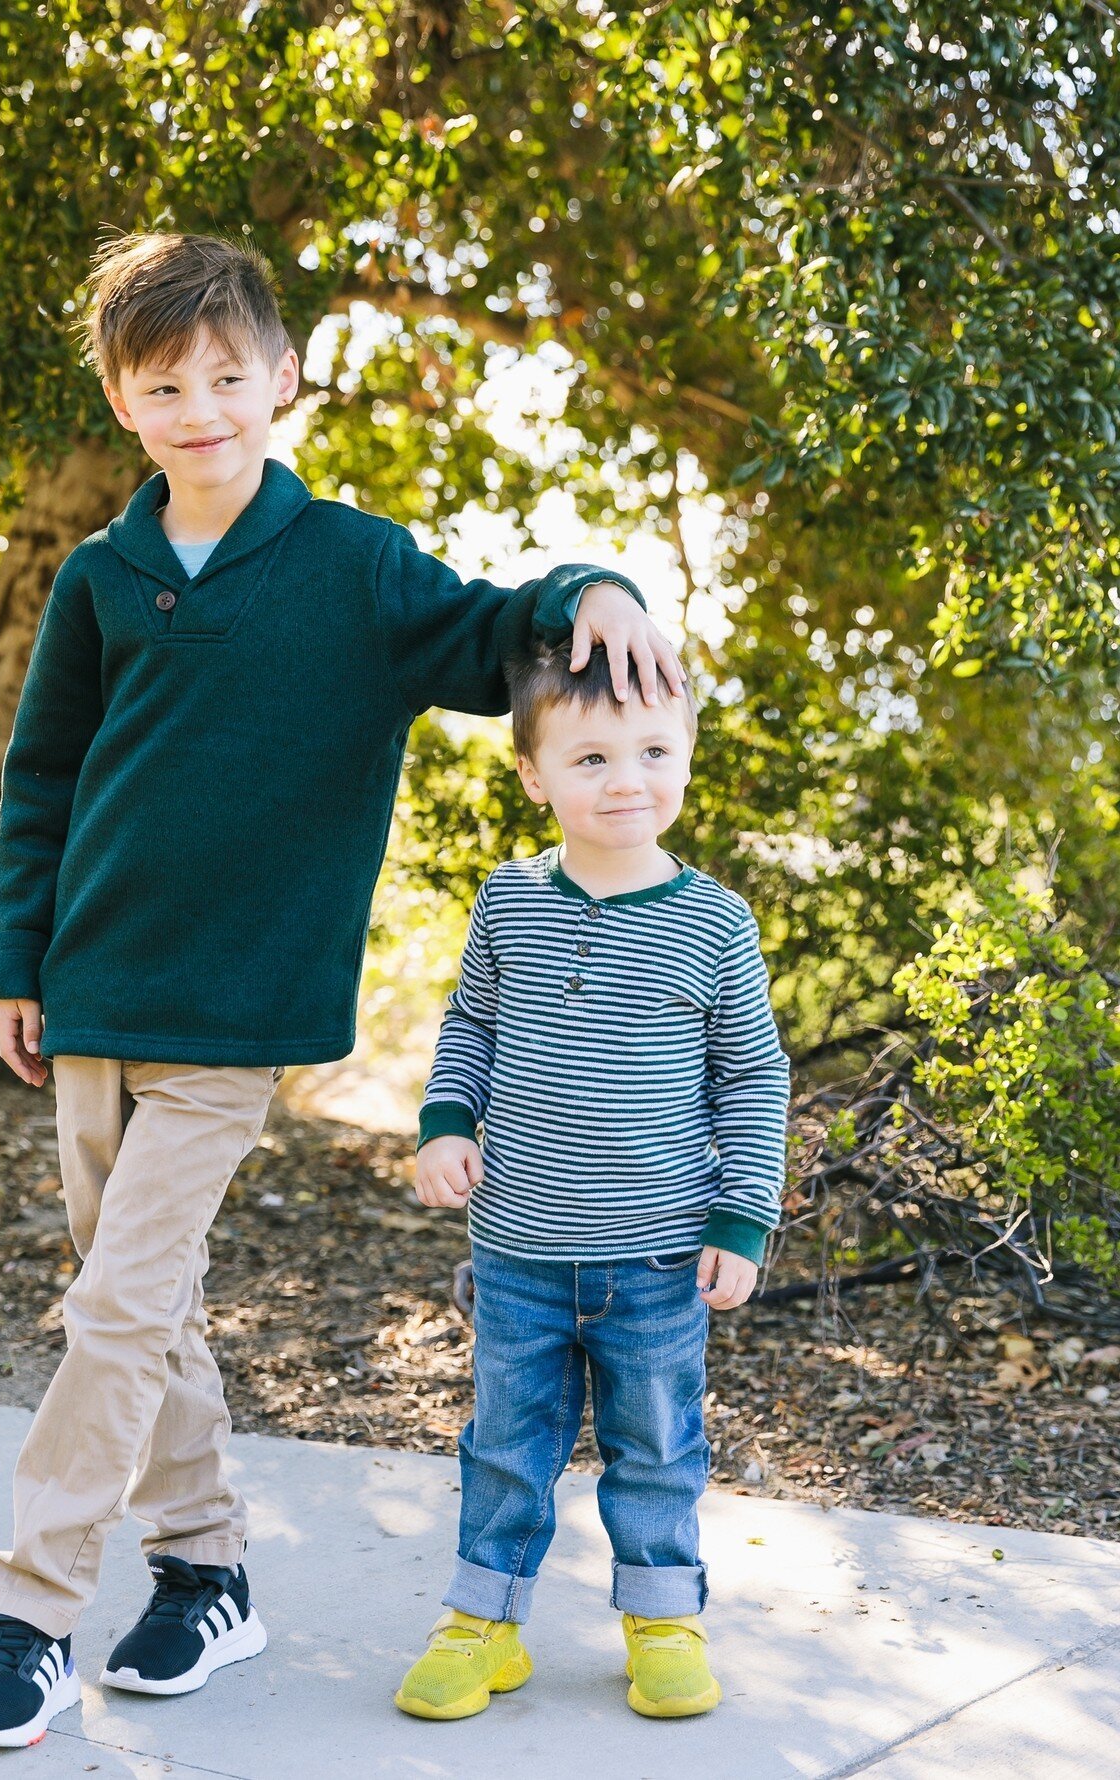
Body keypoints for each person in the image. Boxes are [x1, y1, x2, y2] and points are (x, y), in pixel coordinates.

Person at [0, 230, 685, 1749]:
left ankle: (26, 1614)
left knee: (117, 1305)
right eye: (163, 381)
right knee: (148, 1311)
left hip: (237, 1008)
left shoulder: (352, 567)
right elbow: (45, 777)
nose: (200, 402)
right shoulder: (99, 577)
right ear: (125, 402)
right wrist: (16, 960)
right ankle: (206, 1575)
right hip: (90, 988)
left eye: (226, 372)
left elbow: (494, 627)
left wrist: (595, 585)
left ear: (282, 376)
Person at [394, 640, 790, 1723]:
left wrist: (744, 1214)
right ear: (533, 775)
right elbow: (470, 1025)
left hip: (661, 1251)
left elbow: (752, 1073)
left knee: (656, 1445)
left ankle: (662, 1617)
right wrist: (444, 1121)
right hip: (517, 1246)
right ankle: (485, 1620)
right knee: (507, 1446)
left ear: (689, 755)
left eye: (655, 750)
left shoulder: (715, 922)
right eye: (593, 757)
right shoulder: (509, 902)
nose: (628, 779)